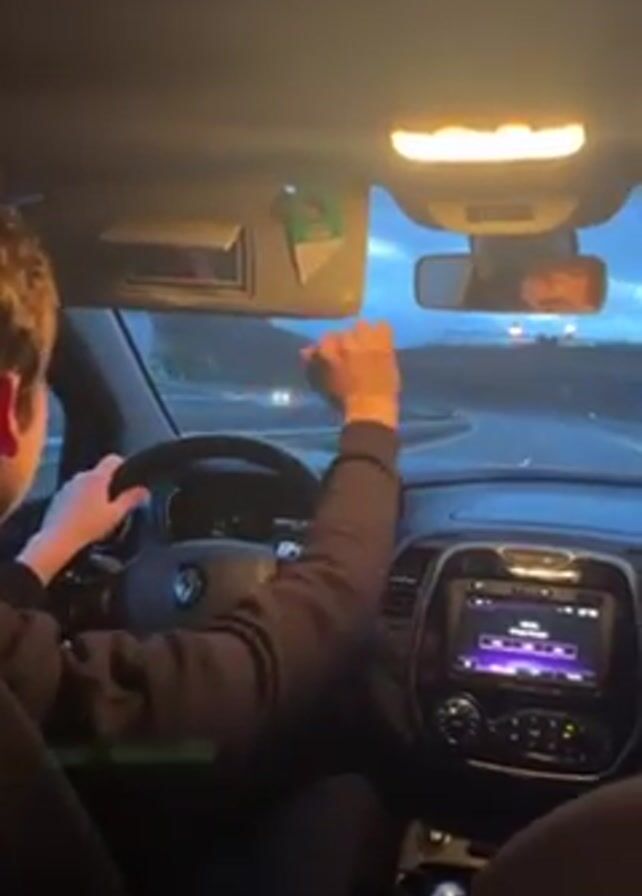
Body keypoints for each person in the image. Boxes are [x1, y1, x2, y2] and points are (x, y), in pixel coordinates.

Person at [0, 208, 401, 891]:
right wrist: (372, 411)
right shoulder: (37, 696)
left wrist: (48, 548)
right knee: (342, 803)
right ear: (7, 412)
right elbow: (304, 633)